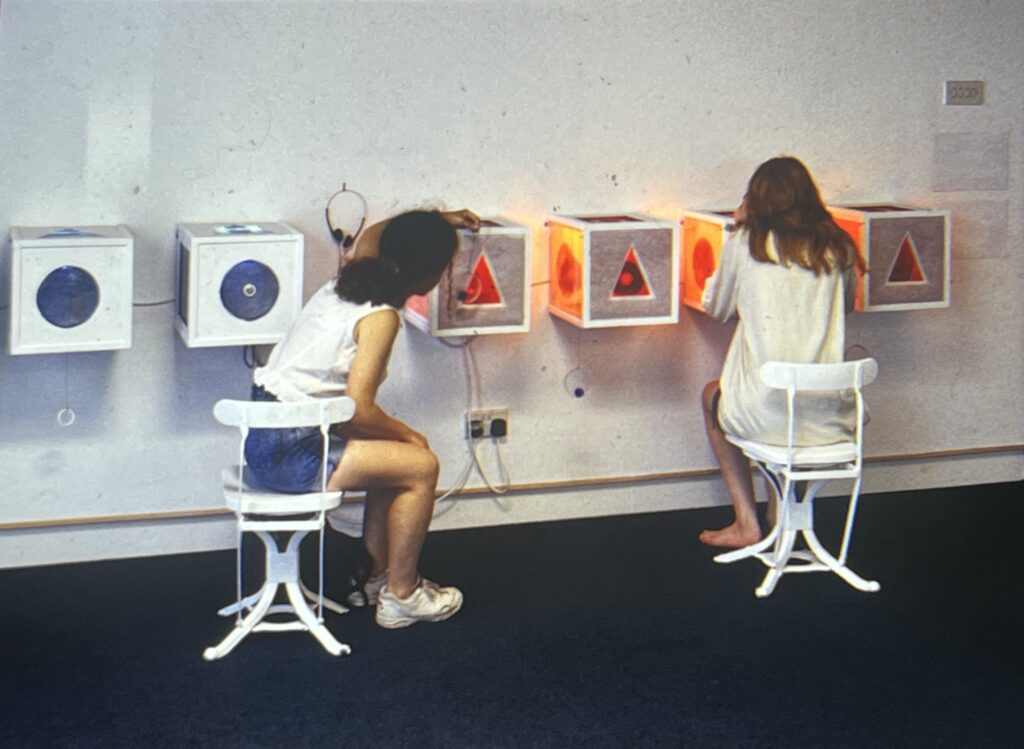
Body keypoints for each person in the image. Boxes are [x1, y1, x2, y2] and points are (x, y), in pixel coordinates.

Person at [245, 207, 481, 628]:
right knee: (421, 464)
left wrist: (440, 221)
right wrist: (410, 434)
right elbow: (357, 411)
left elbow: (378, 232)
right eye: (444, 265)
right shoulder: (380, 317)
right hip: (291, 454)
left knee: (397, 458)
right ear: (426, 273)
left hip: (266, 437)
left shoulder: (346, 282)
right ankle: (403, 595)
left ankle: (376, 579)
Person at [699, 156, 864, 549]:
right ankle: (782, 514)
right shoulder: (839, 245)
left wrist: (736, 227)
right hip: (830, 418)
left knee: (711, 397)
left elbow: (716, 307)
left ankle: (746, 521)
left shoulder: (746, 243)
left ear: (755, 199)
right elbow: (845, 308)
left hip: (763, 413)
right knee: (798, 407)